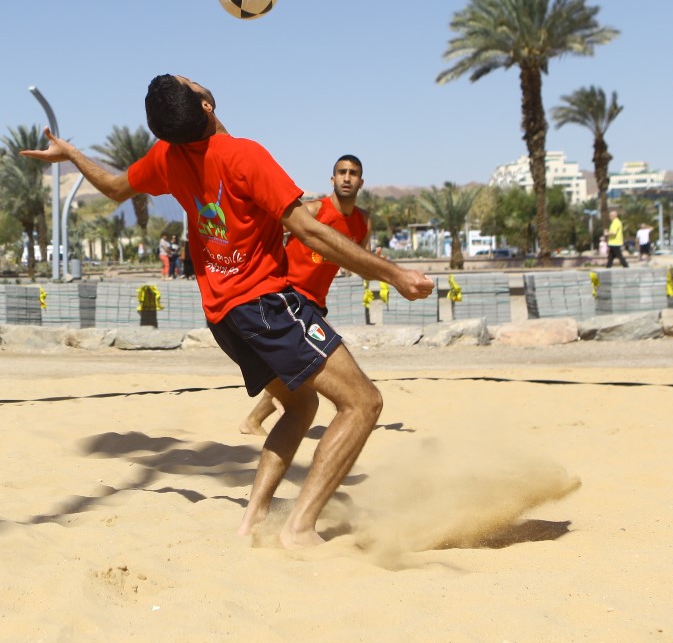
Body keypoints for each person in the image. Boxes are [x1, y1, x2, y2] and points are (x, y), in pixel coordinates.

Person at [22, 75, 434, 549]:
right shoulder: (244, 156)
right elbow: (310, 232)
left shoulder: (167, 157)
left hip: (224, 318)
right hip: (266, 305)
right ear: (206, 104)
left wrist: (72, 154)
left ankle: (252, 517)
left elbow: (114, 188)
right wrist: (394, 274)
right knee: (364, 403)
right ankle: (299, 528)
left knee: (301, 406)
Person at [240, 153, 369, 436]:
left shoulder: (362, 222)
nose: (347, 178)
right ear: (332, 179)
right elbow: (267, 229)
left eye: (353, 173)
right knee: (319, 360)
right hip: (289, 297)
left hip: (315, 302)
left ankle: (254, 420)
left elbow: (362, 262)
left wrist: (375, 263)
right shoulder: (313, 210)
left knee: (300, 365)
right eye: (342, 172)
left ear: (361, 182)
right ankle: (348, 411)